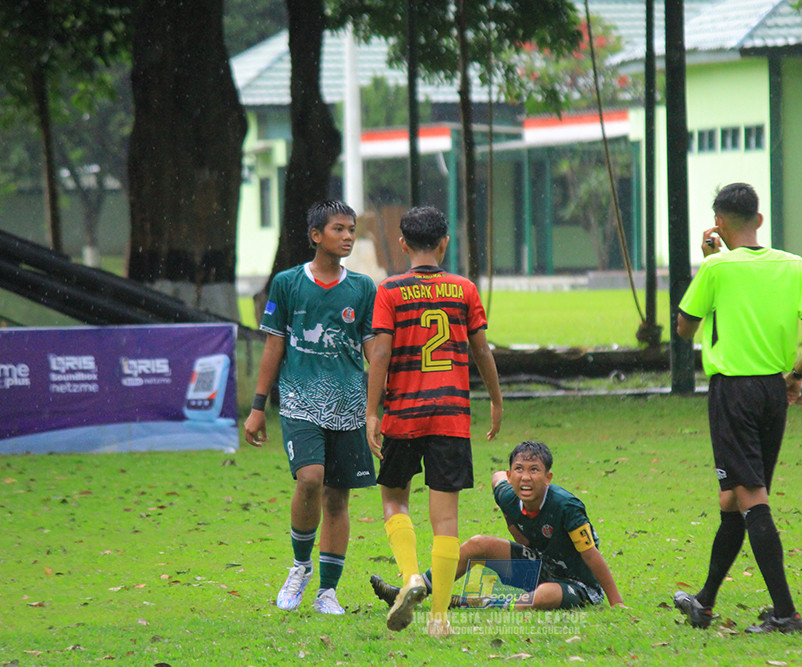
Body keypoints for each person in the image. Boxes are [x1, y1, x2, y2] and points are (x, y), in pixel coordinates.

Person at [672, 183, 802, 634]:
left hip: (733, 392)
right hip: (773, 392)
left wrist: (710, 263)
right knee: (733, 497)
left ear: (718, 224)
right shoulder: (794, 265)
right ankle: (703, 602)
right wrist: (796, 376)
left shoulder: (717, 267)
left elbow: (685, 328)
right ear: (759, 220)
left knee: (750, 497)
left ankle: (785, 614)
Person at [366, 205, 503, 638]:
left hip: (404, 414)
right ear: (445, 242)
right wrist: (496, 401)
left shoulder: (388, 291)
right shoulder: (463, 289)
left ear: (403, 244)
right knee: (446, 522)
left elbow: (382, 354)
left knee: (394, 500)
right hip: (450, 415)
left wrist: (373, 411)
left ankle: (409, 578)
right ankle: (439, 618)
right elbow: (482, 352)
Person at [243, 200, 377, 615]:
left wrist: (381, 403)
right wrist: (258, 406)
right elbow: (274, 345)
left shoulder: (363, 288)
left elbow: (374, 348)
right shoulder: (286, 283)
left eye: (352, 229)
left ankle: (328, 592)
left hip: (350, 405)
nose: (349, 236)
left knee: (338, 499)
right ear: (316, 235)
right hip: (300, 402)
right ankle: (300, 567)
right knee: (310, 479)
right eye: (339, 229)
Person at [369, 440, 626, 612]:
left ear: (548, 478)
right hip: (538, 566)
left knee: (541, 597)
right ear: (511, 473)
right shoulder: (509, 494)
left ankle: (473, 602)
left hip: (576, 583)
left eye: (534, 470)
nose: (525, 477)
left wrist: (616, 603)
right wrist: (513, 522)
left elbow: (591, 555)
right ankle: (414, 591)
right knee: (478, 543)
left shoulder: (567, 507)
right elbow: (496, 478)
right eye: (519, 469)